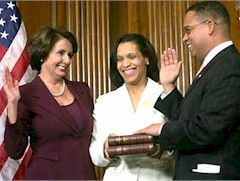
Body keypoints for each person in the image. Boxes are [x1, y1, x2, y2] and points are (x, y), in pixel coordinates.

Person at [135, 1, 240, 180]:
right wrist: (168, 86)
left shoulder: (230, 65)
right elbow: (192, 119)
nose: (184, 38)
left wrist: (162, 129)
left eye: (188, 30)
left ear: (209, 26)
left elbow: (209, 129)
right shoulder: (216, 65)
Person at [3, 26, 96, 180]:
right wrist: (12, 104)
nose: (67, 60)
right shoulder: (26, 94)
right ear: (42, 55)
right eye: (61, 53)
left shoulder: (82, 90)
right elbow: (15, 151)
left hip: (84, 174)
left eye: (70, 55)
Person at [89, 33, 174, 181]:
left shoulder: (165, 95)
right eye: (120, 59)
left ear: (146, 58)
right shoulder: (105, 102)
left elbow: (182, 140)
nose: (125, 64)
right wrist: (106, 149)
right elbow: (94, 153)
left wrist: (161, 150)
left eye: (132, 56)